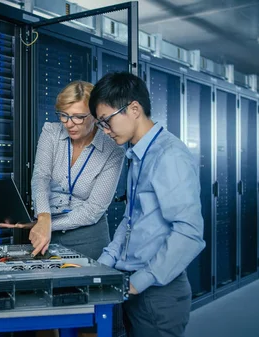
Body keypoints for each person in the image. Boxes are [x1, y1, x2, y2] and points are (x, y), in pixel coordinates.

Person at [89, 72, 205, 337]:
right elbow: (132, 219)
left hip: (158, 289)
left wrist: (140, 282)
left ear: (134, 108)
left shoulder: (169, 155)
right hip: (135, 283)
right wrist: (105, 262)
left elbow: (189, 232)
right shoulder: (138, 154)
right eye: (100, 124)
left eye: (106, 121)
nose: (105, 131)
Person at [0, 80, 125, 260]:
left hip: (88, 238)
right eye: (63, 115)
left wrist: (44, 224)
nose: (69, 123)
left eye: (78, 117)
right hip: (44, 235)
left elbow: (93, 210)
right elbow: (40, 177)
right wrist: (43, 217)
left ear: (96, 116)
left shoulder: (113, 151)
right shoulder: (51, 132)